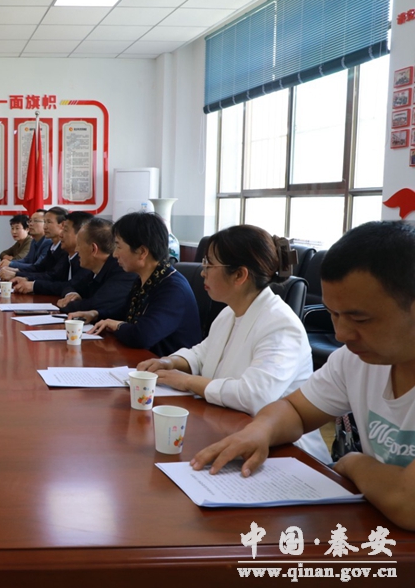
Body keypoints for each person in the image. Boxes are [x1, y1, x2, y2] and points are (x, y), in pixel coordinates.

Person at [192, 221, 415, 530]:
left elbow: (408, 502)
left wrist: (353, 462)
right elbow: (295, 409)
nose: (341, 334)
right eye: (333, 314)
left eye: (360, 318)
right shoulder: (354, 360)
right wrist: (260, 431)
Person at [135, 225, 330, 462]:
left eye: (209, 264)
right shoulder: (230, 312)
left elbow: (253, 397)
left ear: (239, 275)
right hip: (229, 427)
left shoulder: (281, 325)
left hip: (284, 453)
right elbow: (202, 353)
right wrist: (170, 362)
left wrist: (186, 381)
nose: (203, 272)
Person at [88, 212, 200, 357]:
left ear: (142, 252)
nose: (114, 254)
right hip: (143, 361)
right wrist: (95, 314)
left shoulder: (173, 289)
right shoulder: (146, 278)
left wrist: (117, 325)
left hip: (166, 367)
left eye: (118, 246)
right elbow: (124, 314)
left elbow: (142, 336)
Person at [61, 217, 137, 319]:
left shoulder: (122, 271)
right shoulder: (96, 269)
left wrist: (68, 304)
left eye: (79, 244)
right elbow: (69, 286)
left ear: (93, 249)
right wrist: (71, 295)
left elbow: (95, 305)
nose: (76, 249)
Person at [13, 211, 91, 295]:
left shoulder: (87, 260)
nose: (61, 235)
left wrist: (33, 285)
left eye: (65, 230)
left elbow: (72, 286)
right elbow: (53, 276)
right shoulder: (68, 255)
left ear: (81, 234)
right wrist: (25, 278)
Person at [0, 206, 67, 281]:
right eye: (30, 221)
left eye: (48, 222)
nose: (45, 226)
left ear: (62, 225)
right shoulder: (49, 245)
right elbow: (38, 267)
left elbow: (50, 275)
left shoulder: (61, 246)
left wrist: (15, 271)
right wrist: (15, 270)